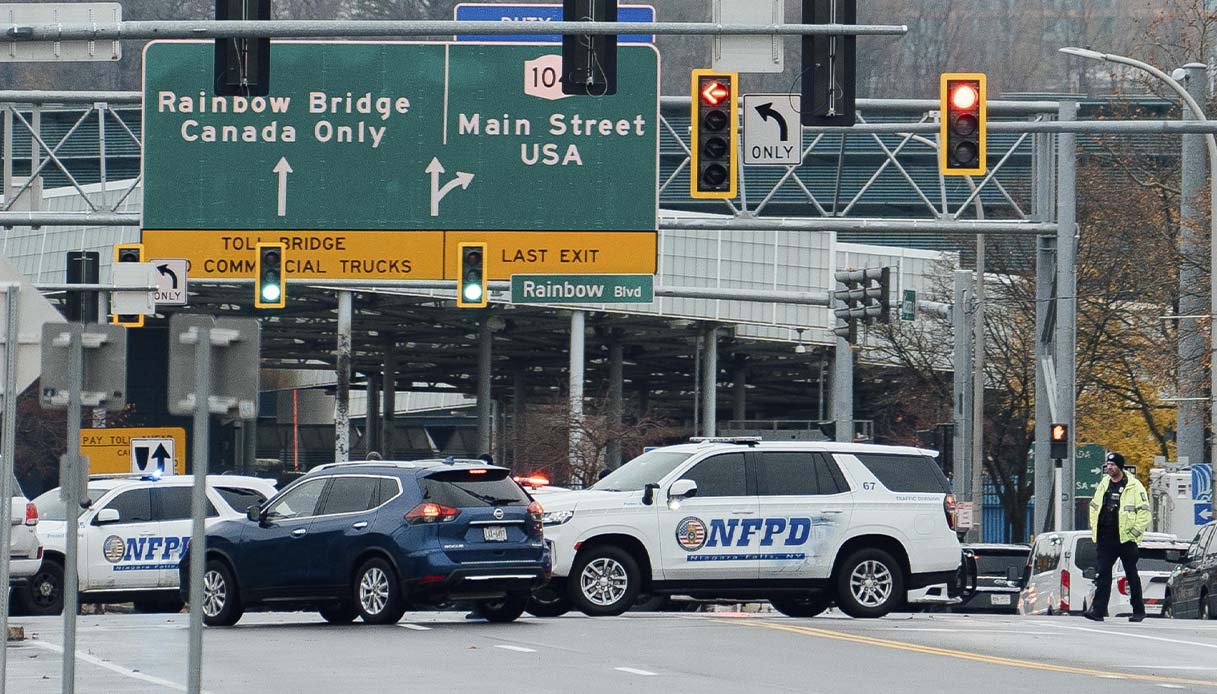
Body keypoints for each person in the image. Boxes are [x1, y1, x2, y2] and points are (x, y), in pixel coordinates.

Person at [1084, 452, 1151, 622]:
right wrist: (1095, 528)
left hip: (1125, 539)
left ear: (1119, 466)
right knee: (1103, 574)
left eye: (1112, 465)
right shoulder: (1104, 484)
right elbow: (1094, 506)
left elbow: (1144, 513)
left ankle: (1138, 610)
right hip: (1106, 537)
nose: (1109, 467)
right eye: (1107, 464)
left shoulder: (1134, 486)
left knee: (1131, 574)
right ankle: (1098, 611)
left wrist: (1134, 534)